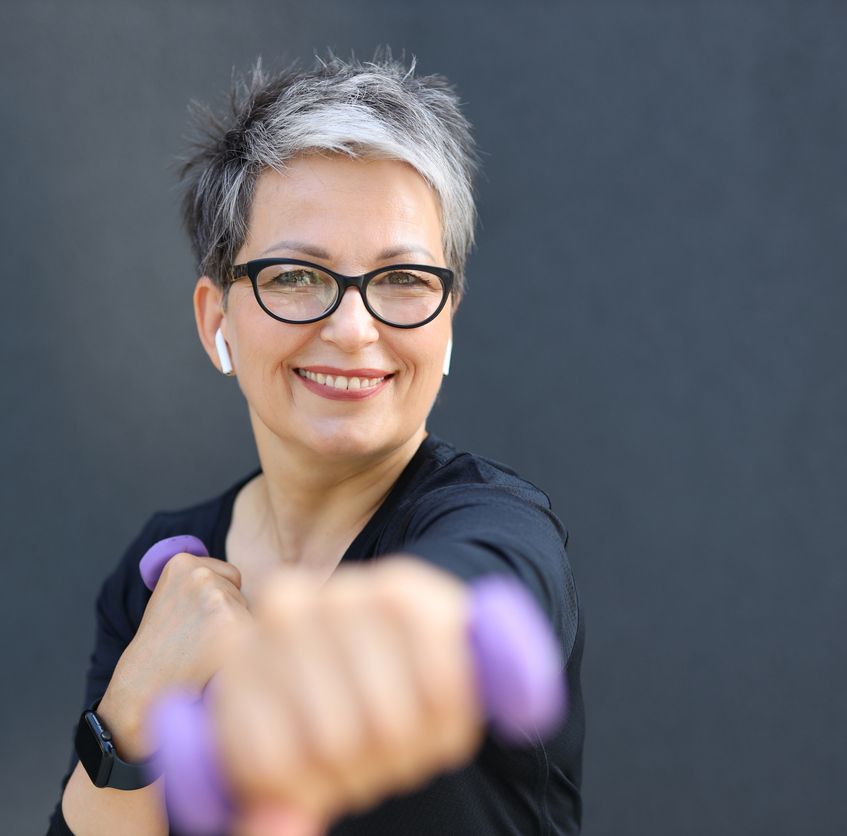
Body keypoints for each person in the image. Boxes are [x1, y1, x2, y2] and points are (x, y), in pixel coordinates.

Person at [49, 51, 584, 836]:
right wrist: (133, 705)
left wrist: (395, 638)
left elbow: (486, 589)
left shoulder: (495, 523)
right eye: (297, 276)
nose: (354, 329)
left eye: (404, 279)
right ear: (216, 319)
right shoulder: (164, 570)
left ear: (447, 321)